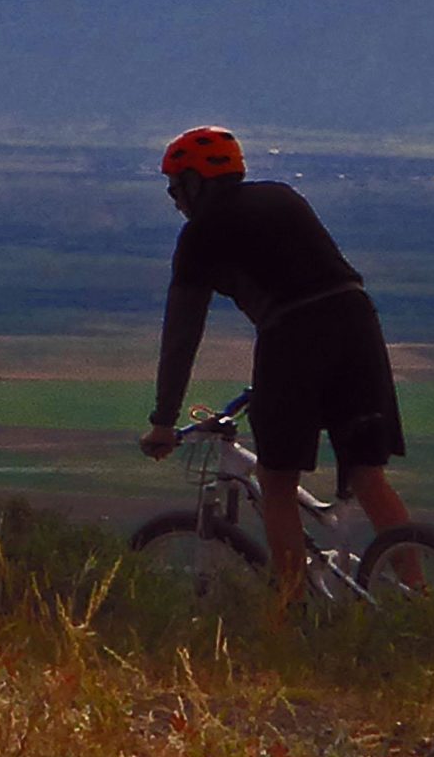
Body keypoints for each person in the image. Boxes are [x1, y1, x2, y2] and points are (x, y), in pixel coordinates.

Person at [137, 126, 413, 598]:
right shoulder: (283, 197)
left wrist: (164, 421)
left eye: (175, 187)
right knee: (368, 474)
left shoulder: (200, 235)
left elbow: (182, 334)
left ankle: (287, 612)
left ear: (196, 182)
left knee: (277, 481)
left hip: (293, 335)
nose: (173, 199)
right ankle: (417, 595)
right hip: (357, 322)